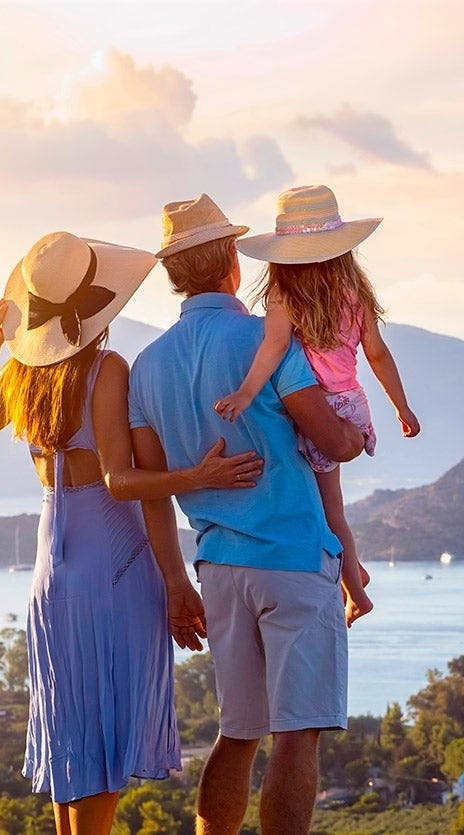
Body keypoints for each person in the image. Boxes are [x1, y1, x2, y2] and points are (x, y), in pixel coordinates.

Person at [0, 231, 263, 835]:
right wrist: (197, 476)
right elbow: (121, 482)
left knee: (74, 746)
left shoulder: (22, 374)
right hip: (113, 568)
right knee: (103, 751)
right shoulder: (106, 367)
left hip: (53, 574)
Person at [122, 194, 367, 835]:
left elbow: (152, 489)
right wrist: (357, 431)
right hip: (291, 559)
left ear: (174, 274)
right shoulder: (269, 337)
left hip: (219, 568)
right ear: (234, 258)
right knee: (298, 734)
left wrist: (177, 582)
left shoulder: (146, 367)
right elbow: (330, 444)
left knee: (238, 733)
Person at [220, 183, 419, 620]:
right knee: (329, 504)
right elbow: (378, 354)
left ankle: (356, 592)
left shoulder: (284, 296)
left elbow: (272, 350)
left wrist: (246, 393)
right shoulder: (355, 293)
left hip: (318, 413)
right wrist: (401, 408)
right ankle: (356, 567)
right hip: (352, 404)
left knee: (329, 511)